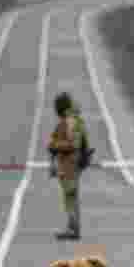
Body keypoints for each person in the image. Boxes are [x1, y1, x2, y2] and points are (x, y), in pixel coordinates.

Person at [48, 92, 91, 240]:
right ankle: (73, 227)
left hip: (70, 163)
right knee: (70, 196)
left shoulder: (70, 121)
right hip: (70, 163)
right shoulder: (73, 120)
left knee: (70, 195)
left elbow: (73, 144)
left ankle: (73, 228)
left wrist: (55, 146)